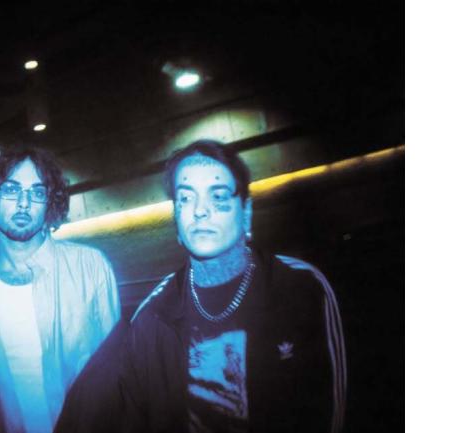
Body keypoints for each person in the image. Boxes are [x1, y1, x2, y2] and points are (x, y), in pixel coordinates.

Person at [56, 139, 346, 433]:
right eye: (185, 198)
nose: (199, 211)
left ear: (246, 213)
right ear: (176, 219)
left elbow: (327, 410)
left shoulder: (300, 287)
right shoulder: (152, 319)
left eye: (218, 196)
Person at [0, 147, 120, 433]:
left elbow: (117, 371)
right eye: (11, 189)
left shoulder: (91, 267)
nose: (24, 203)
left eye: (37, 192)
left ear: (49, 203)